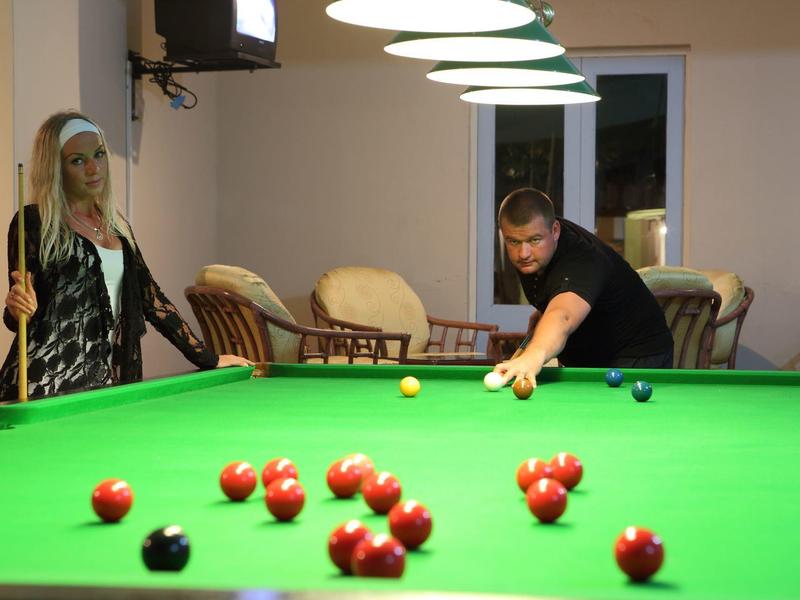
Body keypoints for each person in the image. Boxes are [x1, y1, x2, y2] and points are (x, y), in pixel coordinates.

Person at [0, 110, 251, 401]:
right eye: (77, 160)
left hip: (106, 383)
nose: (94, 168)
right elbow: (17, 310)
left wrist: (208, 358)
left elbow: (152, 299)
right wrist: (19, 308)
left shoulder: (117, 227)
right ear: (55, 168)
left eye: (99, 154)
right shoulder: (35, 222)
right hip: (45, 386)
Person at [493, 188, 673, 390]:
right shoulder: (537, 243)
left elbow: (564, 316)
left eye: (534, 240)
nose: (523, 253)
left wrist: (532, 356)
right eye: (513, 241)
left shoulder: (583, 259)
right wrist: (545, 310)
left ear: (555, 230)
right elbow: (560, 296)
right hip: (592, 356)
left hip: (638, 354)